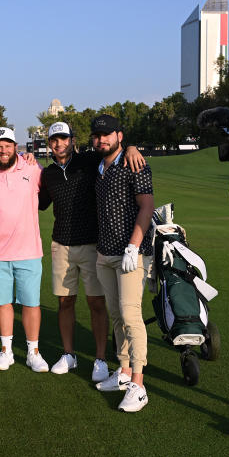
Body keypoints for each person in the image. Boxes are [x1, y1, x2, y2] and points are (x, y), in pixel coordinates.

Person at [38, 121, 146, 379]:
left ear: (72, 140)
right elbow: (40, 202)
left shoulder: (88, 161)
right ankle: (68, 354)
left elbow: (112, 148)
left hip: (92, 245)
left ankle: (100, 359)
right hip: (61, 244)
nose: (59, 144)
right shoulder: (48, 173)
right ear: (49, 144)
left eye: (64, 138)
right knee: (65, 302)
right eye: (54, 140)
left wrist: (131, 146)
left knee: (97, 303)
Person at [91, 114, 154, 413]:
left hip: (130, 254)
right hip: (104, 254)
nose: (101, 139)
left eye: (107, 135)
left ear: (119, 135)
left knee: (131, 315)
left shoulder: (134, 163)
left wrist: (134, 245)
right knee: (116, 315)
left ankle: (139, 385)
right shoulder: (99, 168)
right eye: (97, 135)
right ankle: (125, 371)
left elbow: (146, 206)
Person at [0, 127, 49, 372]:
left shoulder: (32, 168)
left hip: (28, 250)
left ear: (16, 147)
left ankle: (33, 352)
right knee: (3, 302)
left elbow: (51, 185)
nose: (3, 150)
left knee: (31, 303)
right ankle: (6, 351)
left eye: (7, 145)